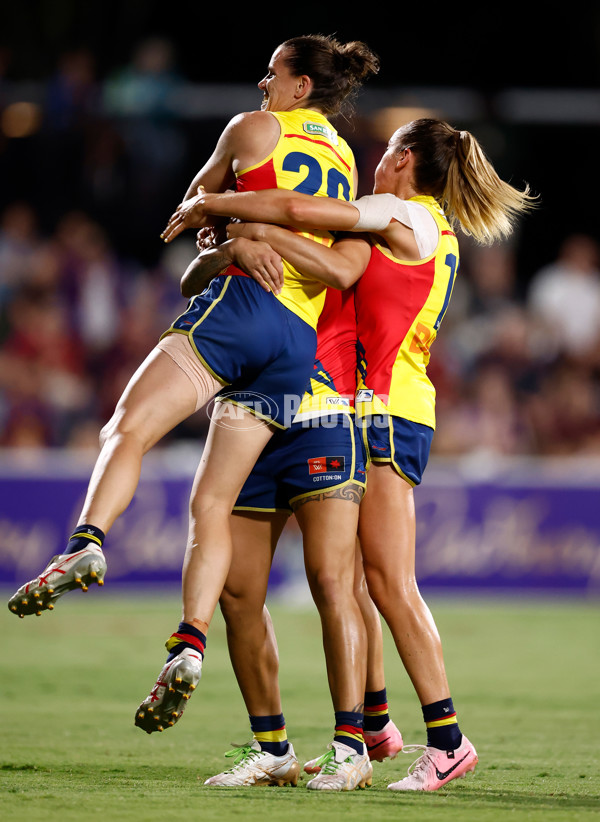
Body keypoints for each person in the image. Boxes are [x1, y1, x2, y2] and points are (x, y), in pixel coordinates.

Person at [6, 35, 379, 753]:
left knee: (127, 428)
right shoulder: (345, 161)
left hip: (243, 311)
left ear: (300, 86)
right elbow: (331, 261)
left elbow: (192, 205)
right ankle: (189, 639)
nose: (261, 82)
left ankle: (86, 544)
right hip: (296, 348)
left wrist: (226, 233)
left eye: (273, 73)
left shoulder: (251, 127)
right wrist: (242, 230)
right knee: (212, 502)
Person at [166, 117, 536, 792]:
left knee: (389, 581)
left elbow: (300, 207)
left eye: (388, 150)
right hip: (379, 408)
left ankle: (447, 741)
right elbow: (332, 262)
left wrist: (221, 206)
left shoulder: (401, 211)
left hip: (389, 410)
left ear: (402, 162)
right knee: (362, 578)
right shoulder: (420, 227)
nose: (377, 159)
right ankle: (376, 725)